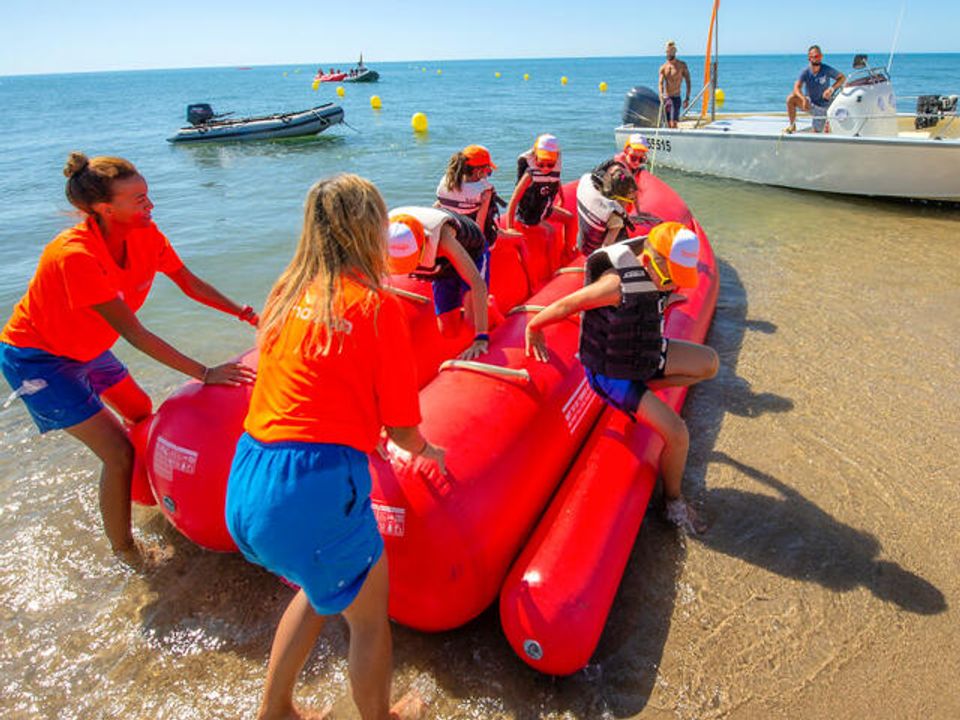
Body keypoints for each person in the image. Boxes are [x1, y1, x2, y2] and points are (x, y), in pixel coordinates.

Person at [225, 174, 444, 720]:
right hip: (311, 488)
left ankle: (275, 709)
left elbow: (309, 383)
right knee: (370, 619)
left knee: (320, 585)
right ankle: (381, 717)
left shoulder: (284, 293)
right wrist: (430, 451)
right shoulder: (375, 307)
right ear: (369, 229)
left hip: (248, 479)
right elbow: (402, 434)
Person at [0, 152, 257, 562]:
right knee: (117, 453)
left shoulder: (146, 234)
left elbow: (189, 283)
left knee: (140, 412)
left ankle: (148, 490)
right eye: (138, 199)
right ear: (105, 209)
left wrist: (247, 314)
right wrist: (204, 372)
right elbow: (135, 335)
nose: (150, 205)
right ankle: (126, 550)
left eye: (147, 195)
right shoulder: (75, 256)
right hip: (39, 360)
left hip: (88, 347)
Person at [525, 222, 718, 534]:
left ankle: (645, 391)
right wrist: (534, 328)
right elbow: (568, 304)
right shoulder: (616, 285)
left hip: (643, 353)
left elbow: (652, 301)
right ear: (648, 261)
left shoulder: (658, 276)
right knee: (678, 434)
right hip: (613, 372)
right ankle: (672, 503)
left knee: (709, 363)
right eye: (670, 279)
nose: (672, 286)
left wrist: (668, 296)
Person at [387, 206, 490, 360]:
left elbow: (477, 283)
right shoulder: (382, 237)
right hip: (442, 265)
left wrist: (481, 337)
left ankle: (489, 308)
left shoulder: (443, 239)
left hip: (470, 252)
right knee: (448, 331)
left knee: (471, 322)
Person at [435, 144, 503, 248]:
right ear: (478, 171)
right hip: (469, 237)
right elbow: (479, 225)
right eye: (488, 171)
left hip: (449, 233)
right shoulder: (484, 191)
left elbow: (438, 206)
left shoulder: (446, 181)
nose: (488, 175)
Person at [504, 133, 573, 232]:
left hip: (544, 208)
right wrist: (510, 227)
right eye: (541, 164)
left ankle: (569, 247)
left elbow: (556, 180)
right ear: (535, 157)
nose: (545, 168)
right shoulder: (530, 175)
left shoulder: (553, 170)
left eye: (550, 164)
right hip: (530, 215)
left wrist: (562, 198)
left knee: (569, 218)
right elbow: (514, 199)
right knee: (550, 231)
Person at [574, 164, 638, 255]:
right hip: (592, 251)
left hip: (581, 240)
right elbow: (606, 246)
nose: (631, 202)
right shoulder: (616, 218)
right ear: (621, 198)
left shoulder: (592, 189)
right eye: (631, 199)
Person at [786, 45, 846, 134]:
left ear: (821, 56)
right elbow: (796, 87)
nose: (817, 58)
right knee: (790, 98)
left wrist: (831, 89)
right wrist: (803, 98)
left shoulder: (826, 69)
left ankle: (825, 125)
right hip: (810, 104)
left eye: (819, 56)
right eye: (814, 56)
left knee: (816, 133)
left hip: (824, 107)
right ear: (809, 58)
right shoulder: (805, 72)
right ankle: (792, 126)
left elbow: (842, 78)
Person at [659, 40, 691, 128]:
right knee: (667, 123)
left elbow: (688, 81)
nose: (668, 54)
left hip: (676, 98)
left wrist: (687, 98)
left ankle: (676, 138)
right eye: (667, 52)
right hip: (666, 98)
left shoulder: (681, 65)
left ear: (674, 52)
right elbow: (661, 83)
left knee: (673, 123)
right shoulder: (663, 67)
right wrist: (661, 94)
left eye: (670, 52)